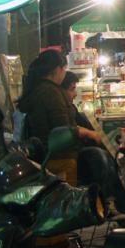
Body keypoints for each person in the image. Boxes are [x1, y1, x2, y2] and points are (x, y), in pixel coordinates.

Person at [60, 72, 125, 221]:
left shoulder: (70, 108)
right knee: (99, 155)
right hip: (67, 154)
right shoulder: (60, 108)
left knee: (108, 157)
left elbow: (85, 126)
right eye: (72, 89)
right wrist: (85, 133)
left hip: (76, 150)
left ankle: (118, 206)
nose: (75, 93)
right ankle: (106, 204)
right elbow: (67, 130)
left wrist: (90, 134)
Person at [15, 50, 82, 184]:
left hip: (47, 157)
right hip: (60, 159)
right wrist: (86, 133)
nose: (64, 73)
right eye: (64, 69)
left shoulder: (38, 89)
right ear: (57, 70)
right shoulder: (52, 92)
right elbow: (63, 130)